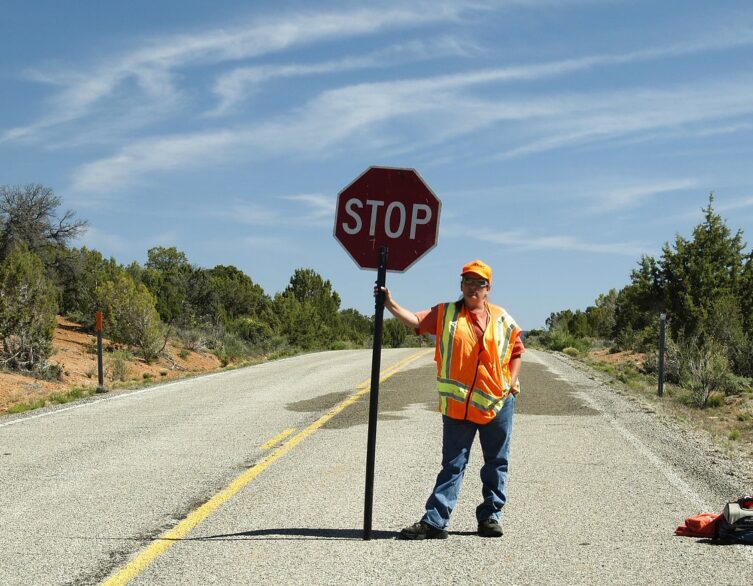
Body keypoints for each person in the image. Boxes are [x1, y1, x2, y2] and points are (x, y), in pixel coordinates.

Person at [377, 259, 524, 539]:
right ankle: (435, 521)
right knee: (453, 464)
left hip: (498, 402)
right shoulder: (446, 313)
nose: (473, 287)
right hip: (458, 406)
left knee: (497, 461)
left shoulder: (502, 318)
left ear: (488, 288)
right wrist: (390, 304)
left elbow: (517, 351)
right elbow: (417, 321)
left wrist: (510, 383)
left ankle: (491, 517)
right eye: (468, 281)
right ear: (461, 285)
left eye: (479, 283)